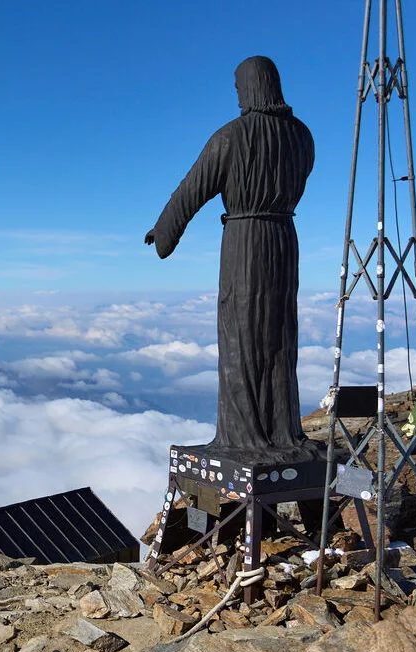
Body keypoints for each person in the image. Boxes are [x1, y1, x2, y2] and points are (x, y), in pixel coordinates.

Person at [145, 56, 316, 452]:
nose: (238, 94)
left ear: (252, 86)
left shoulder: (231, 136)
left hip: (245, 241)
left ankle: (243, 437)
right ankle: (281, 429)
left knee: (241, 332)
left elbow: (192, 190)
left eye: (239, 86)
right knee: (279, 337)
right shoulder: (302, 136)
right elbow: (300, 179)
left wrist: (164, 232)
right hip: (284, 240)